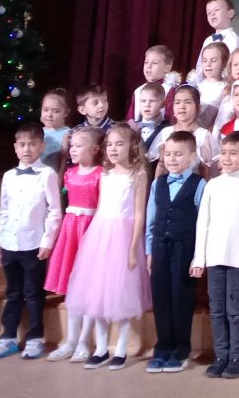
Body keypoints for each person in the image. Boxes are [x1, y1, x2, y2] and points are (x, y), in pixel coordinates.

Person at [63, 123, 151, 369]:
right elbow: (102, 207)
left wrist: (133, 248)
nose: (113, 149)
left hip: (123, 236)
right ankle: (101, 348)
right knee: (98, 294)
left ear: (132, 146)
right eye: (110, 144)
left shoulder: (138, 174)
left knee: (121, 294)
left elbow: (139, 214)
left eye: (119, 144)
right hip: (100, 236)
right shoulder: (105, 174)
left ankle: (120, 349)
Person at [192, 129, 239, 379]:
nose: (226, 158)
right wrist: (199, 258)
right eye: (223, 152)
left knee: (235, 311)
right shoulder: (213, 185)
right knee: (217, 309)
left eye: (233, 153)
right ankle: (221, 355)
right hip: (215, 257)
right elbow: (203, 222)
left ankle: (237, 356)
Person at [0, 121, 61, 361]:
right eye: (22, 145)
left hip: (33, 245)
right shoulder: (9, 176)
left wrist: (47, 241)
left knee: (33, 292)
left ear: (41, 146)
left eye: (32, 144)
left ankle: (35, 337)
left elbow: (54, 211)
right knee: (12, 292)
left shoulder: (47, 175)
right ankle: (8, 336)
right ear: (15, 147)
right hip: (10, 243)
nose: (27, 149)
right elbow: (4, 211)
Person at [145, 129, 205, 374]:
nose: (172, 159)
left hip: (185, 248)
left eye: (178, 154)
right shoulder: (158, 183)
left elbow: (202, 221)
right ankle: (163, 348)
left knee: (181, 298)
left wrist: (199, 255)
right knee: (161, 298)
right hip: (160, 246)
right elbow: (151, 220)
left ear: (191, 157)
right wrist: (149, 252)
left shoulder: (199, 184)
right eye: (168, 154)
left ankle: (181, 350)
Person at [45, 127, 104, 359]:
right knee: (72, 288)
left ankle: (83, 342)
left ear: (95, 149)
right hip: (71, 230)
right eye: (72, 145)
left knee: (87, 288)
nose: (73, 150)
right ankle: (70, 340)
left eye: (79, 145)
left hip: (90, 230)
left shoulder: (100, 174)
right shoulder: (69, 174)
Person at [152, 83, 216, 174]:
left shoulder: (203, 136)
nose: (182, 107)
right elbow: (161, 165)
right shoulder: (165, 133)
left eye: (188, 102)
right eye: (177, 102)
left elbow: (207, 170)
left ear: (198, 107)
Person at [191, 0, 239, 81]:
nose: (212, 14)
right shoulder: (208, 40)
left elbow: (234, 68)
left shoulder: (233, 40)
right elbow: (200, 66)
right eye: (209, 13)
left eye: (216, 10)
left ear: (230, 13)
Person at [125, 44, 180, 121]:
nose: (148, 66)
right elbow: (130, 119)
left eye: (154, 63)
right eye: (146, 62)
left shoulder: (170, 90)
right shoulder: (138, 91)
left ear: (167, 67)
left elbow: (172, 119)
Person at [192, 41, 230, 128]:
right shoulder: (197, 85)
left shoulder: (226, 88)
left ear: (224, 63)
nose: (208, 64)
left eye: (213, 60)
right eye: (204, 60)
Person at [131, 83, 169, 161]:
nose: (147, 105)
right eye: (143, 101)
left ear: (163, 104)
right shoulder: (132, 127)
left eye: (152, 101)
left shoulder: (168, 129)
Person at [39, 88, 72, 174]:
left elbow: (65, 161)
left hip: (55, 176)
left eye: (56, 111)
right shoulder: (38, 132)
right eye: (46, 110)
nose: (49, 115)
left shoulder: (68, 134)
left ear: (66, 113)